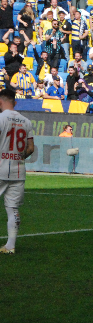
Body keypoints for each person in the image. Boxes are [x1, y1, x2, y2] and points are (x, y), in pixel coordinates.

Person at [0, 89, 35, 254]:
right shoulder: (26, 121)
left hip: (0, 168)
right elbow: (30, 148)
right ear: (15, 101)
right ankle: (10, 246)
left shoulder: (1, 119)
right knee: (13, 209)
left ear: (0, 102)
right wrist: (19, 157)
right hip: (18, 170)